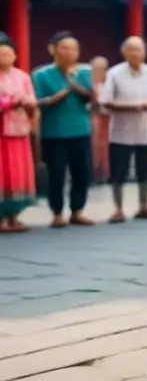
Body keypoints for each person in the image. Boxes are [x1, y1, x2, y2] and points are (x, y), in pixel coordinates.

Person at [33, 32, 95, 228]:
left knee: (82, 171)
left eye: (74, 49)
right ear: (53, 49)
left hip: (81, 130)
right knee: (56, 172)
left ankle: (77, 210)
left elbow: (92, 97)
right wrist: (53, 99)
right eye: (65, 48)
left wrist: (74, 85)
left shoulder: (84, 72)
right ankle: (57, 212)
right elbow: (36, 102)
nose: (70, 53)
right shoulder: (41, 74)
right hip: (54, 132)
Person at [100, 37, 147, 222]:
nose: (136, 54)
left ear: (144, 52)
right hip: (121, 132)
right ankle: (118, 209)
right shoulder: (114, 73)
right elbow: (105, 101)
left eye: (139, 50)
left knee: (145, 170)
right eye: (132, 50)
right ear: (124, 52)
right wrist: (131, 106)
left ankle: (144, 206)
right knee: (118, 170)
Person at [0, 33, 36, 232]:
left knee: (18, 173)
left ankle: (14, 214)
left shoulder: (23, 77)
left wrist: (29, 103)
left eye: (8, 54)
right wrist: (11, 102)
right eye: (0, 54)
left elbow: (31, 99)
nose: (4, 57)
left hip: (19, 129)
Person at [90, 56, 110, 185]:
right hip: (94, 118)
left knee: (106, 148)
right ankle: (93, 173)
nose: (99, 71)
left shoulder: (109, 84)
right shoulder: (87, 84)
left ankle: (107, 173)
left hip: (108, 120)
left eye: (102, 69)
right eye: (96, 68)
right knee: (94, 146)